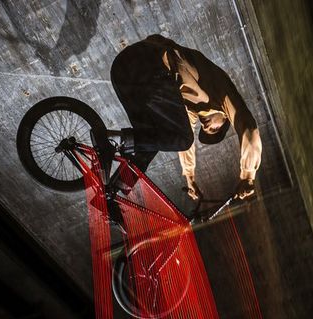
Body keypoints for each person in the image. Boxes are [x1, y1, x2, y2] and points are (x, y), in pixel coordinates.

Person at [110, 34, 262, 200]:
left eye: (204, 129)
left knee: (151, 141)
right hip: (149, 64)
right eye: (214, 129)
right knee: (181, 139)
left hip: (122, 74)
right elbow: (248, 127)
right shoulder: (222, 93)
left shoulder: (191, 108)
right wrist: (248, 176)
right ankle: (120, 140)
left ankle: (113, 190)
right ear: (226, 118)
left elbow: (184, 147)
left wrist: (190, 178)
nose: (206, 126)